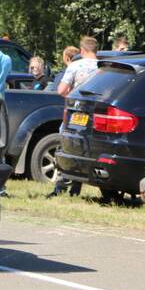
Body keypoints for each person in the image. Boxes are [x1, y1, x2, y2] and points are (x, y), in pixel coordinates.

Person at [50, 36, 100, 198]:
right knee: (86, 150)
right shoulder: (103, 67)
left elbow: (61, 90)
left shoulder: (75, 65)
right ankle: (77, 187)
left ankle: (61, 186)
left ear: (83, 50)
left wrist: (72, 94)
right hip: (96, 114)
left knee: (66, 146)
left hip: (76, 113)